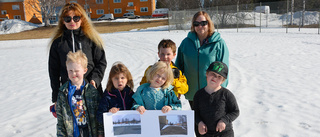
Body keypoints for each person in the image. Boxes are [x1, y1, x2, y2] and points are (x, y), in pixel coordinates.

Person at [48, 3, 107, 109]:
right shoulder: (58, 43)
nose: (72, 22)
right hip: (68, 93)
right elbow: (53, 72)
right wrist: (56, 97)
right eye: (68, 19)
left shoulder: (91, 40)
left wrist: (95, 80)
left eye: (76, 18)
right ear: (63, 21)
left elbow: (101, 62)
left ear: (82, 19)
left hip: (91, 90)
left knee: (95, 123)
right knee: (72, 124)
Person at [175, 11, 229, 109]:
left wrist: (220, 91)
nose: (200, 26)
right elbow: (178, 67)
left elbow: (224, 70)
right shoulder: (186, 43)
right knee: (196, 120)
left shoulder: (219, 43)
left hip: (211, 92)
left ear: (209, 24)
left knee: (211, 121)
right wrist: (177, 88)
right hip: (192, 93)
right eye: (196, 24)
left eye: (203, 23)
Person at [56, 51, 100, 137]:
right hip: (72, 132)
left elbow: (99, 114)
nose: (73, 74)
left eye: (76, 71)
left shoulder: (92, 91)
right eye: (70, 71)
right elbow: (60, 119)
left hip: (90, 131)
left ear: (85, 70)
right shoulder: (63, 92)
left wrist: (100, 133)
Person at [194, 61, 239, 137]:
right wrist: (199, 122)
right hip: (204, 133)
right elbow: (195, 113)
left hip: (224, 133)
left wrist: (224, 120)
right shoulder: (199, 94)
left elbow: (235, 111)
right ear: (207, 74)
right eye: (213, 74)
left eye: (219, 77)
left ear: (222, 81)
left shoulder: (226, 94)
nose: (215, 78)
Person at [96, 62, 134, 136]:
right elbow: (99, 116)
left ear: (127, 79)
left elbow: (136, 110)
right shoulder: (108, 96)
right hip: (113, 132)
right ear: (111, 80)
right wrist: (109, 113)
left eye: (122, 78)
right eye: (116, 78)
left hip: (130, 132)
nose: (120, 81)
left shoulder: (131, 94)